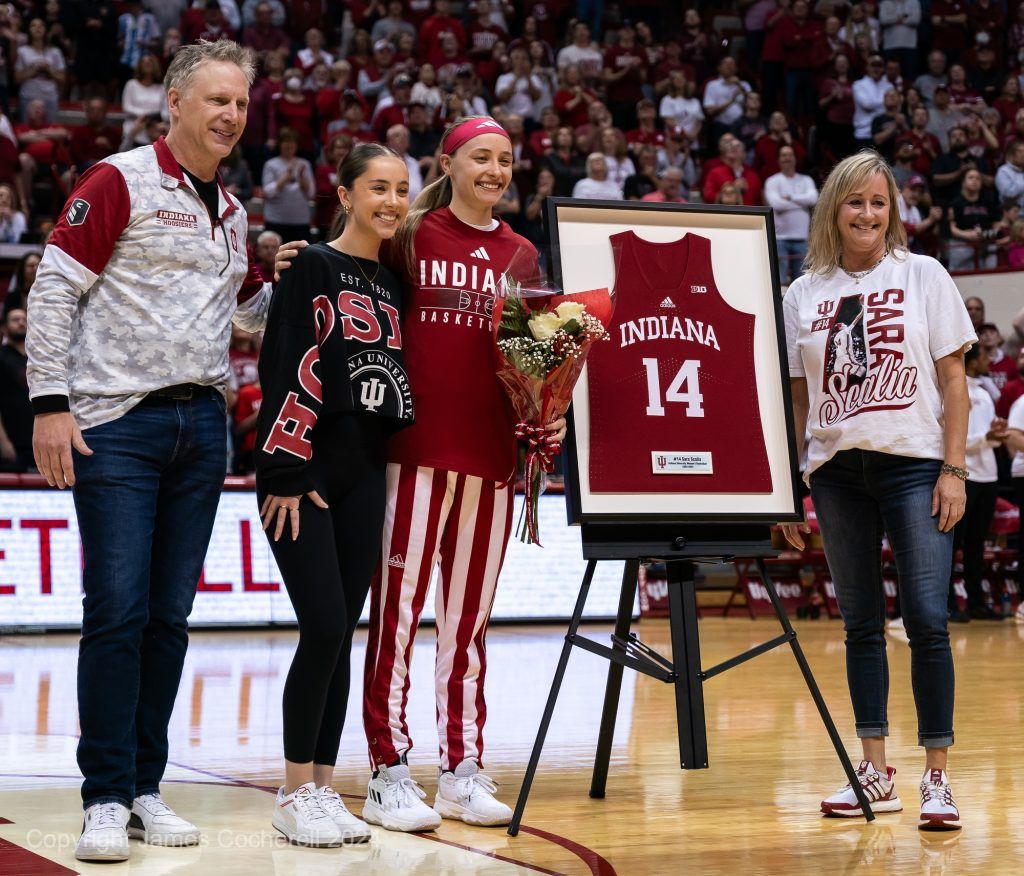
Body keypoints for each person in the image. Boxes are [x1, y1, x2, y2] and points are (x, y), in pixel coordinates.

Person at [277, 115, 567, 832]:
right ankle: (387, 768)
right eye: (481, 158)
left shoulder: (523, 254)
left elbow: (530, 361)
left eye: (505, 160)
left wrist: (546, 412)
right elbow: (346, 284)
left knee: (468, 627)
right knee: (396, 622)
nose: (495, 171)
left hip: (493, 458)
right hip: (409, 454)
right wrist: (290, 264)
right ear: (451, 162)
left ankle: (461, 771)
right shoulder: (410, 233)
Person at [25, 39, 270, 863]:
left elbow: (237, 317)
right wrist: (50, 404)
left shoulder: (233, 214)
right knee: (119, 611)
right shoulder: (119, 179)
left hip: (202, 427)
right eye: (216, 100)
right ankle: (101, 795)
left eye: (240, 102)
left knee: (169, 619)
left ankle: (144, 788)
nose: (231, 114)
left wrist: (300, 285)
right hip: (116, 426)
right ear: (174, 102)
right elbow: (55, 286)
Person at [782, 150, 974, 831]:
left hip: (914, 465)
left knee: (926, 616)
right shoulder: (803, 293)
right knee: (860, 624)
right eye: (855, 201)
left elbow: (954, 380)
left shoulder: (922, 275)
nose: (868, 213)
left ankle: (937, 779)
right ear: (834, 208)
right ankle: (874, 770)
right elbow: (797, 400)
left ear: (891, 211)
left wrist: (954, 469)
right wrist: (791, 486)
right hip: (836, 474)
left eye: (879, 202)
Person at [256, 142, 413, 846]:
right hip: (305, 472)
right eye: (377, 186)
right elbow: (285, 356)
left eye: (402, 190)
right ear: (344, 194)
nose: (391, 201)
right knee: (321, 625)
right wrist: (287, 469)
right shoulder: (313, 264)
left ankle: (322, 788)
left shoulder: (394, 280)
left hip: (365, 471)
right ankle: (293, 792)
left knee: (341, 636)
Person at [948, 342, 1007, 622]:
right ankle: (948, 603)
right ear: (972, 360)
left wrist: (997, 434)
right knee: (952, 543)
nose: (988, 361)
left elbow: (987, 434)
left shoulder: (984, 392)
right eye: (984, 355)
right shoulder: (955, 390)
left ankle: (976, 602)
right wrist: (987, 439)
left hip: (988, 477)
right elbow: (957, 441)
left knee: (976, 545)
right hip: (965, 476)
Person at [764, 144, 818, 284]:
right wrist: (802, 202)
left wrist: (790, 197)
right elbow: (776, 204)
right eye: (783, 155)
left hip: (802, 238)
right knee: (779, 281)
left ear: (795, 158)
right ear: (778, 159)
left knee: (802, 282)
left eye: (789, 155)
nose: (787, 158)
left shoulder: (806, 180)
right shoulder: (772, 181)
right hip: (780, 238)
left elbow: (813, 199)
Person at [261, 127, 315, 242]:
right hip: (276, 221)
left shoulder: (304, 164)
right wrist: (284, 179)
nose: (289, 145)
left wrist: (301, 178)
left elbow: (311, 193)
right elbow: (268, 193)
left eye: (292, 142)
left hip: (300, 222)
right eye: (285, 142)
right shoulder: (271, 164)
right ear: (280, 144)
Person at [0, 307, 33, 471]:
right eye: (15, 319)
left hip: (39, 437)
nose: (21, 322)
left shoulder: (38, 358)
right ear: (4, 328)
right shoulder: (1, 356)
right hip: (11, 441)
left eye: (24, 319)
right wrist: (3, 440)